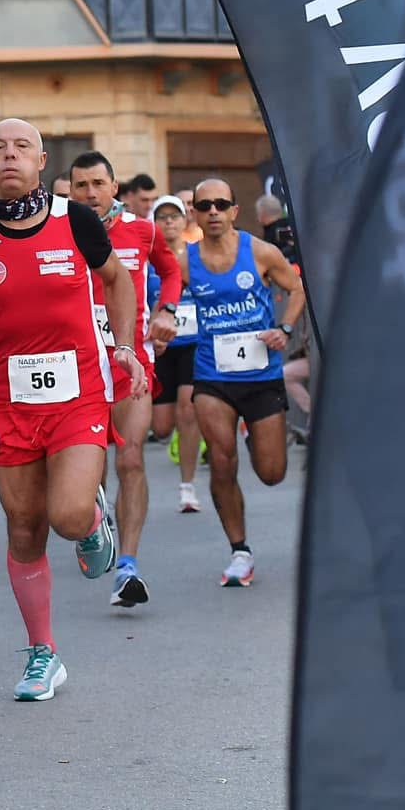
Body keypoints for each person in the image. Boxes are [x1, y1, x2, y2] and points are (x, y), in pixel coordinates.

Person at [0, 119, 141, 701]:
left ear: (42, 161)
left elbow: (118, 281)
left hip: (78, 393)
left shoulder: (76, 220)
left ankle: (91, 522)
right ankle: (43, 653)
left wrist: (124, 345)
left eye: (22, 147)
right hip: (10, 399)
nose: (10, 156)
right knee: (23, 528)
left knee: (66, 515)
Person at [67, 152, 182, 608]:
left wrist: (166, 309)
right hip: (77, 368)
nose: (90, 193)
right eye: (81, 185)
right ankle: (94, 521)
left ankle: (128, 567)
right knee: (88, 470)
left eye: (98, 184)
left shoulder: (142, 230)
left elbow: (170, 270)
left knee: (131, 459)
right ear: (70, 190)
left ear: (115, 187)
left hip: (131, 362)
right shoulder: (58, 229)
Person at [184, 180, 304, 586]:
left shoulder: (261, 252)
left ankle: (254, 434)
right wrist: (163, 318)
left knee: (272, 473)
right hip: (212, 375)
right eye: (205, 206)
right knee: (221, 460)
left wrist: (284, 329)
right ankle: (239, 551)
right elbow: (163, 298)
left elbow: (297, 288)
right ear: (195, 214)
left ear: (234, 211)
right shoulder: (186, 262)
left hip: (260, 375)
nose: (213, 212)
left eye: (221, 204)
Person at [148, 197, 204, 513]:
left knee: (188, 409)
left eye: (174, 216)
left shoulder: (198, 255)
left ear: (185, 221)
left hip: (194, 345)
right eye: (162, 217)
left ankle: (187, 488)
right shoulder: (146, 258)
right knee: (161, 427)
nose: (169, 222)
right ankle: (178, 437)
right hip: (161, 348)